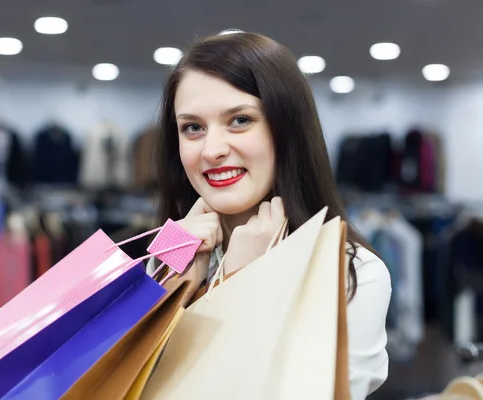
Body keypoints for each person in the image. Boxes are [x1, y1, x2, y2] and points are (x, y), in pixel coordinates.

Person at [147, 29, 392, 399]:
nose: (212, 150)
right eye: (193, 127)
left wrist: (241, 285)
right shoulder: (170, 248)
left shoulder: (353, 274)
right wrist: (174, 282)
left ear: (287, 130)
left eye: (240, 120)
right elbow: (122, 379)